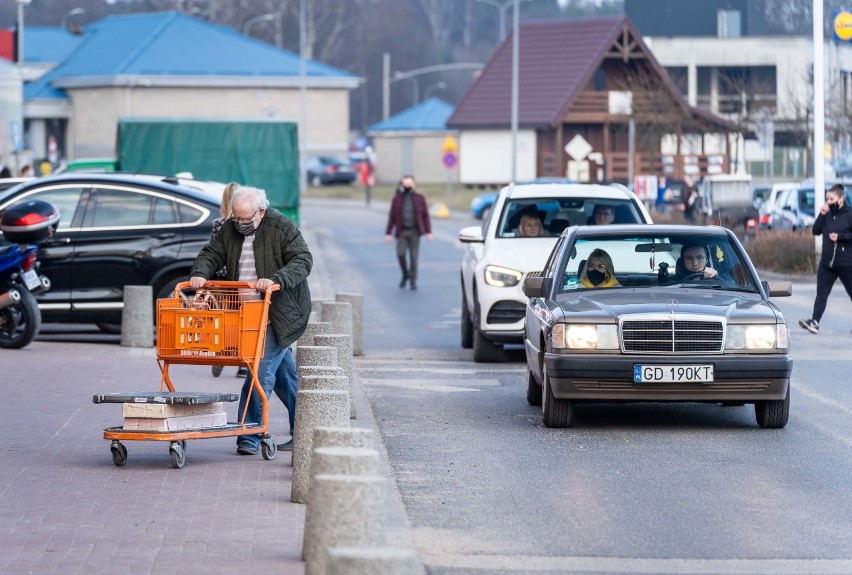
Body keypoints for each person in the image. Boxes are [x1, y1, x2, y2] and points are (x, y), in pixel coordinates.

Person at [189, 186, 312, 455]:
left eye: (245, 219)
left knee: (259, 371)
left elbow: (303, 260)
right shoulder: (230, 228)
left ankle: (249, 434)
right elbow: (211, 254)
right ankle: (305, 431)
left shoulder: (280, 225)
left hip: (279, 313)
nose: (240, 223)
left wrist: (276, 279)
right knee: (284, 376)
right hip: (245, 314)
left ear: (261, 212)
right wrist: (200, 272)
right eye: (236, 218)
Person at [799, 184, 852, 334]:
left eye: (831, 198)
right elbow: (815, 231)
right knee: (821, 293)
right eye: (827, 198)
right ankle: (814, 322)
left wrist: (840, 237)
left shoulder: (849, 214)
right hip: (827, 263)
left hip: (846, 262)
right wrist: (821, 214)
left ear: (841, 198)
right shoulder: (827, 214)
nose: (828, 201)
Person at [209, 182, 247, 379]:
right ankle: (243, 363)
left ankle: (222, 354)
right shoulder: (247, 224)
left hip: (223, 283)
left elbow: (214, 254)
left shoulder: (218, 224)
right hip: (244, 281)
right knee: (245, 321)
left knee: (225, 321)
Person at [384, 175, 432, 290]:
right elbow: (391, 217)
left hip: (415, 231)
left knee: (414, 257)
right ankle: (405, 274)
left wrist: (428, 232)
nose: (407, 186)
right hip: (402, 232)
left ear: (414, 184)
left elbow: (426, 215)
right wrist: (388, 232)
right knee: (400, 254)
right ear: (401, 185)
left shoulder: (420, 198)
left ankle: (412, 280)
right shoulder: (397, 199)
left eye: (409, 184)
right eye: (405, 184)